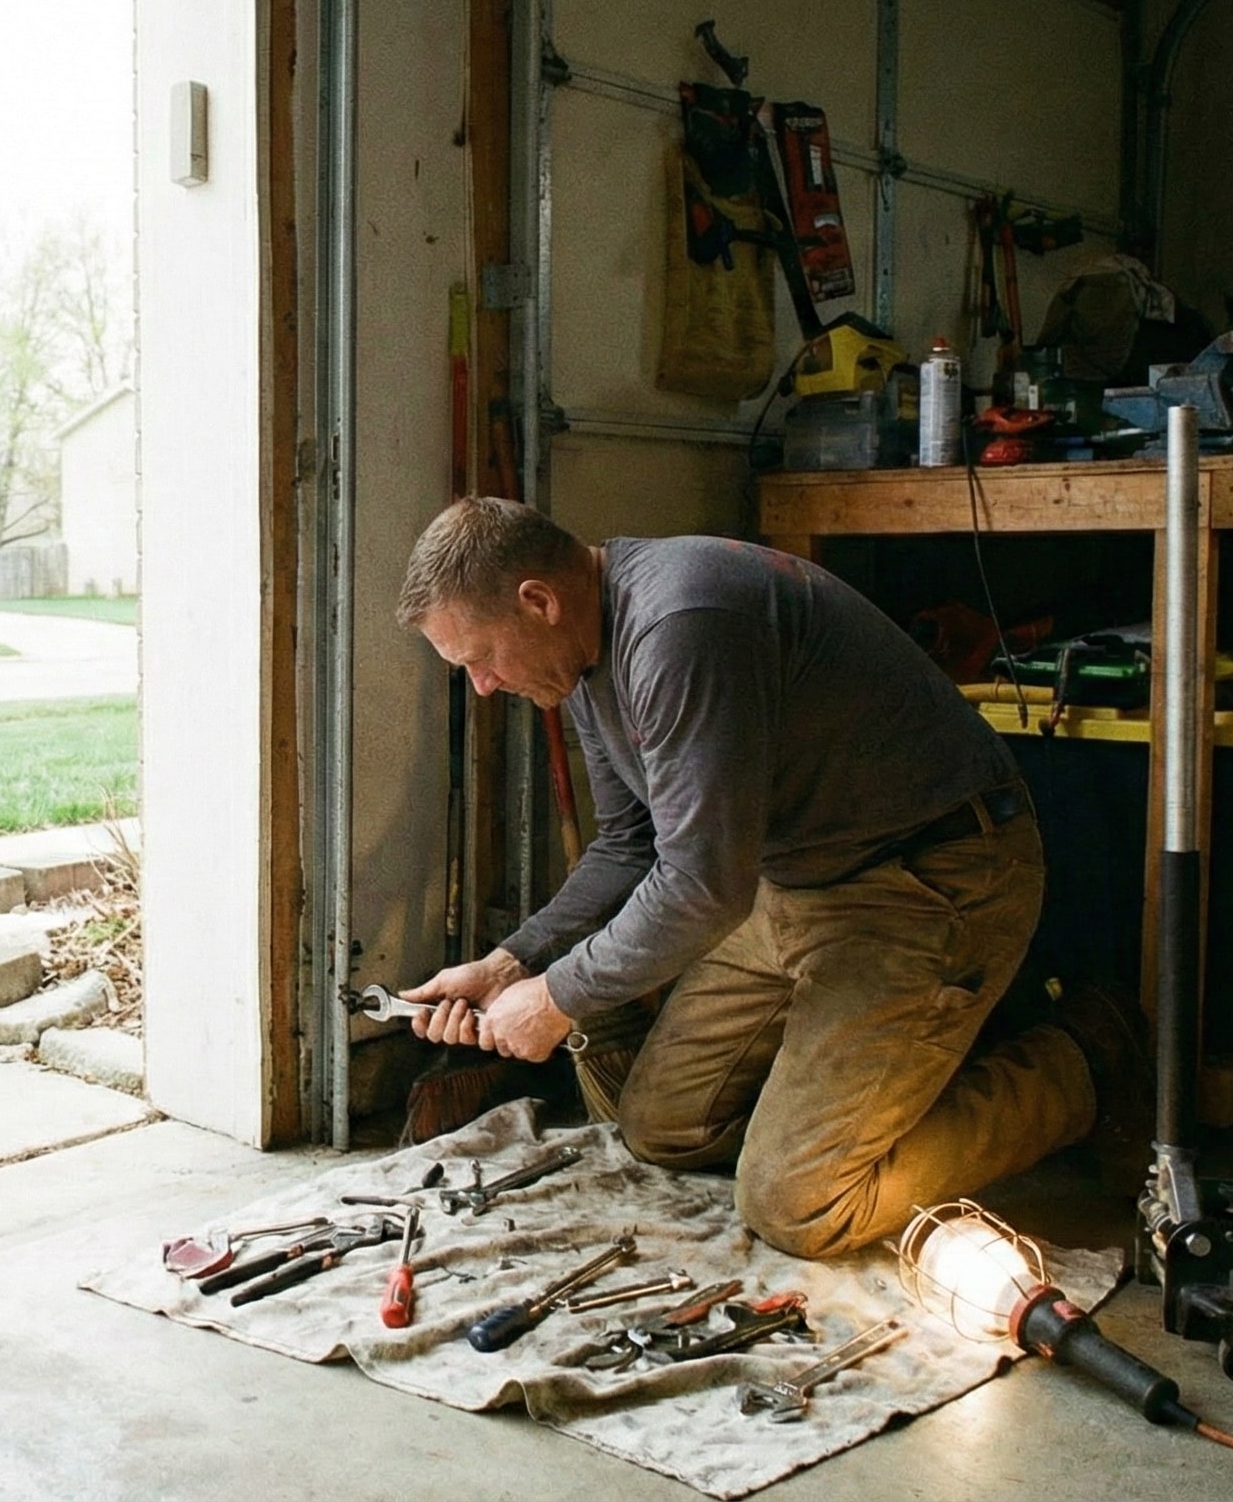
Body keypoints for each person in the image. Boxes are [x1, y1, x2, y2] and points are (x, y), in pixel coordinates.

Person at [396, 497, 1142, 1259]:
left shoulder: (677, 624)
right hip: (795, 885)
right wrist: (508, 963)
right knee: (659, 1130)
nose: (483, 686)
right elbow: (628, 843)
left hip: (930, 877)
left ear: (538, 602)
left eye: (478, 659)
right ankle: (871, 1088)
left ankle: (1078, 1059)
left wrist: (557, 998)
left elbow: (702, 886)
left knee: (799, 1205)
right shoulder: (581, 658)